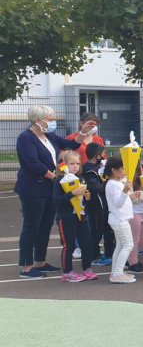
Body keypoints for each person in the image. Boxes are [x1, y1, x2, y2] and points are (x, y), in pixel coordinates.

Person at [15, 105, 92, 278]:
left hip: (49, 187)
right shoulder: (25, 138)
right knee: (31, 225)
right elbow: (32, 163)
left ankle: (40, 261)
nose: (52, 123)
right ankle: (26, 266)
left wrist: (83, 132)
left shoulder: (48, 136)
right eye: (49, 119)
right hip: (33, 188)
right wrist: (55, 176)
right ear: (38, 120)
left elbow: (70, 144)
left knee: (45, 225)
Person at [54, 151, 96, 283]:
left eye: (78, 163)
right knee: (69, 245)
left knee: (86, 243)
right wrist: (72, 193)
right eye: (72, 163)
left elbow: (83, 198)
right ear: (64, 165)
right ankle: (67, 272)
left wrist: (87, 197)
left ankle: (87, 268)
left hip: (81, 217)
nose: (75, 166)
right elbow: (57, 200)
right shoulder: (59, 181)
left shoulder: (81, 179)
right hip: (66, 217)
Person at [103, 157, 137, 284]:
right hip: (120, 219)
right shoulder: (113, 185)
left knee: (120, 245)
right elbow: (118, 203)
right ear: (114, 170)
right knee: (128, 245)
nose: (124, 171)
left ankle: (116, 271)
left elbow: (120, 201)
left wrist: (130, 195)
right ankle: (117, 273)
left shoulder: (114, 183)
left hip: (118, 219)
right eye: (122, 168)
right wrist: (125, 191)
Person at [82, 143, 113, 267]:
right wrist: (108, 181)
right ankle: (93, 256)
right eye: (102, 153)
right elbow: (96, 188)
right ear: (97, 155)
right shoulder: (89, 170)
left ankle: (108, 253)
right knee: (95, 230)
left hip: (103, 204)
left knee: (106, 229)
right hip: (95, 205)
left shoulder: (98, 166)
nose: (104, 156)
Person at [126, 166, 143, 274]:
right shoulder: (127, 179)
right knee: (134, 239)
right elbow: (131, 198)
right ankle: (133, 262)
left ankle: (129, 258)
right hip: (133, 212)